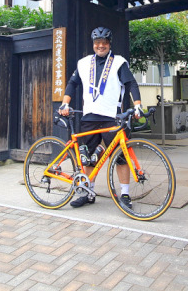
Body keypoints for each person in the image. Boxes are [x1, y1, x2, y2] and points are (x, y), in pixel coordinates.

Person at [58, 26, 142, 208]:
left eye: (104, 42)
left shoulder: (119, 62)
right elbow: (72, 83)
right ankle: (89, 193)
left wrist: (137, 106)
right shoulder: (83, 63)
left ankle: (125, 195)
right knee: (88, 157)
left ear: (109, 44)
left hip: (112, 117)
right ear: (93, 44)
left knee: (120, 156)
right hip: (89, 116)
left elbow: (131, 84)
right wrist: (65, 103)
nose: (101, 45)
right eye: (97, 42)